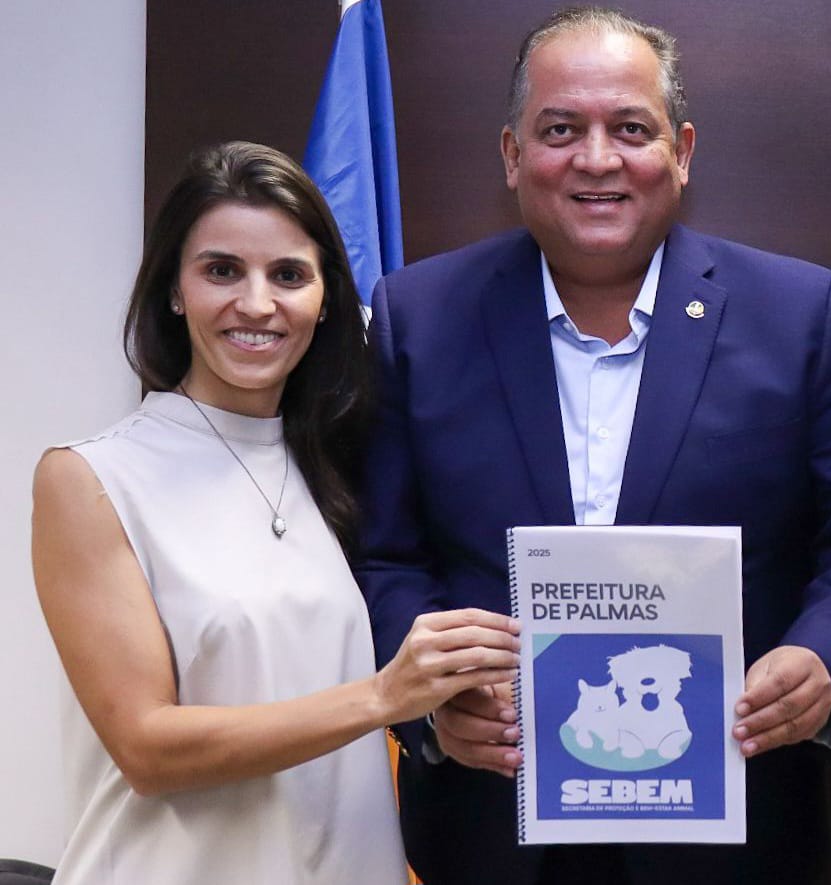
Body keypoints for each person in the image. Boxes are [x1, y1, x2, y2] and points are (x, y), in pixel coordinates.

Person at [353, 7, 831, 884]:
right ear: (512, 154)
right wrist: (431, 708)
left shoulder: (797, 316)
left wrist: (823, 658)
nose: (596, 158)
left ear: (682, 151)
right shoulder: (416, 320)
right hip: (490, 830)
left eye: (630, 128)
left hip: (733, 837)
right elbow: (384, 554)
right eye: (559, 129)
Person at [30, 141, 521, 884]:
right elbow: (148, 748)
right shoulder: (91, 477)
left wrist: (447, 718)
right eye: (221, 269)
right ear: (173, 288)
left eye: (288, 274)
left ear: (325, 301)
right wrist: (385, 696)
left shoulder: (349, 470)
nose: (256, 303)